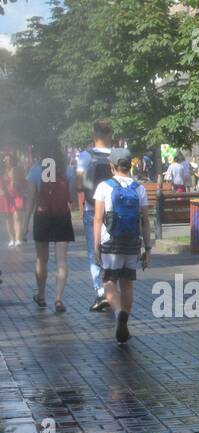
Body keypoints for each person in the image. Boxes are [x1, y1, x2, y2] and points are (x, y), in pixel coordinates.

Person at [92, 148, 151, 344]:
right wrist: (147, 248)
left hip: (110, 241)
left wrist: (96, 245)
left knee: (109, 282)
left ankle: (118, 314)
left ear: (112, 166)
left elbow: (98, 218)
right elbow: (145, 220)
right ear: (130, 165)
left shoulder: (104, 187)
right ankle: (125, 318)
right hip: (132, 242)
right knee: (127, 284)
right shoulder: (139, 188)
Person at [26, 140, 77, 312]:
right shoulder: (68, 170)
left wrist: (26, 223)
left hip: (42, 216)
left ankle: (41, 295)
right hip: (61, 216)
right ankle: (58, 298)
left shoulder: (36, 170)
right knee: (61, 260)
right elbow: (72, 198)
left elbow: (31, 199)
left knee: (42, 259)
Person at [76, 121, 115, 311]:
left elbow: (78, 182)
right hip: (113, 211)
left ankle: (100, 291)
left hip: (92, 209)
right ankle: (111, 287)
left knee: (94, 251)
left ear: (94, 134)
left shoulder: (85, 156)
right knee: (112, 249)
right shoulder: (117, 155)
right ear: (109, 135)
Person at [0, 153, 24, 247]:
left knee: (17, 217)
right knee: (8, 218)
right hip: (6, 197)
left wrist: (18, 184)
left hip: (16, 196)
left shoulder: (17, 170)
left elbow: (23, 182)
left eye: (10, 160)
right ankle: (11, 239)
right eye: (6, 160)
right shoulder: (2, 172)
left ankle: (18, 239)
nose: (8, 162)